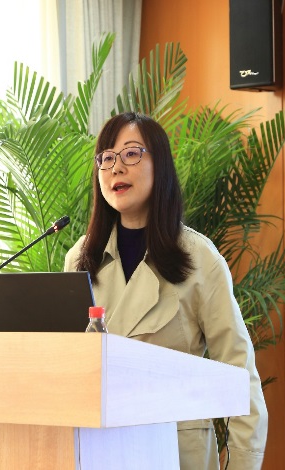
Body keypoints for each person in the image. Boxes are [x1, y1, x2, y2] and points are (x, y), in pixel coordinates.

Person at [64, 112, 268, 469]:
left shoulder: (199, 257)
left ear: (161, 166)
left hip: (175, 453)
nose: (116, 168)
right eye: (106, 158)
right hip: (98, 451)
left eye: (131, 154)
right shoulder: (80, 258)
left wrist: (241, 464)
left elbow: (240, 376)